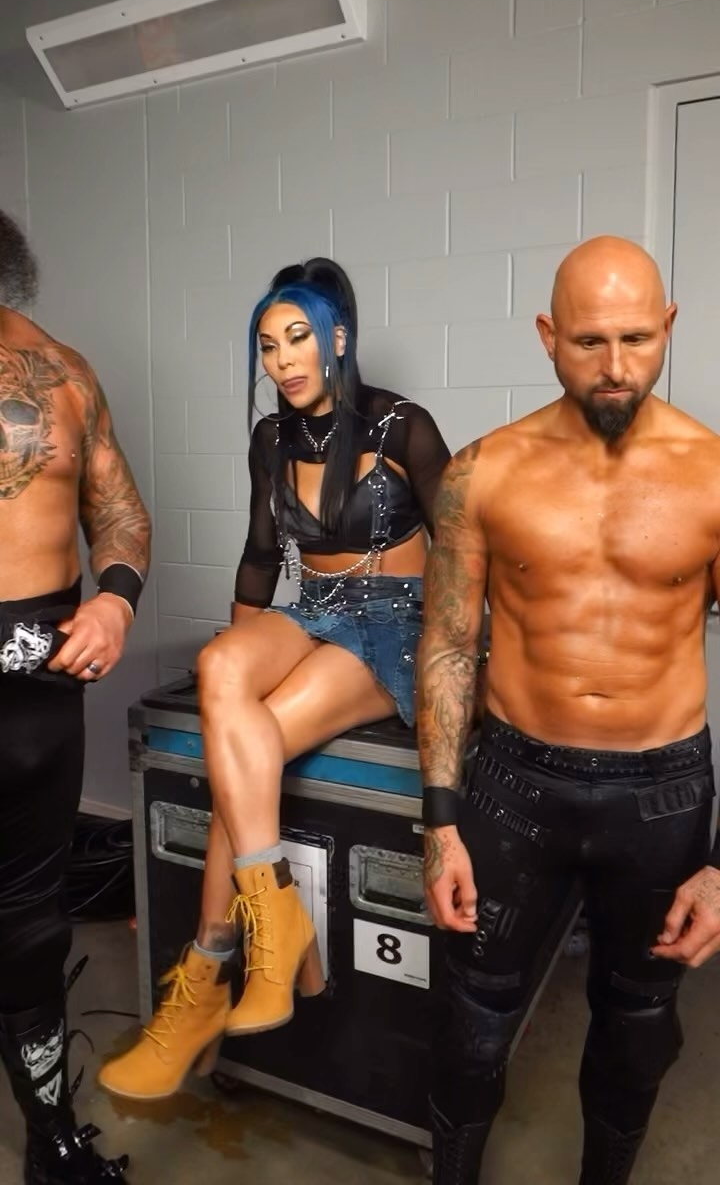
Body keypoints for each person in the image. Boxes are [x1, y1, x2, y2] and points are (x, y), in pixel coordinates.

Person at [98, 256, 451, 1100]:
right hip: (313, 608)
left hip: (396, 623)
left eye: (298, 338)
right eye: (267, 345)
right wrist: (231, 686)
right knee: (221, 668)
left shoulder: (402, 425)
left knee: (247, 755)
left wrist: (468, 667)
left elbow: (469, 551)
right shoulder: (273, 438)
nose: (283, 360)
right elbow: (262, 557)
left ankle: (206, 969)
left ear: (337, 339)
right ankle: (278, 922)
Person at [416, 235, 720, 1185]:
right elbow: (449, 643)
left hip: (662, 794)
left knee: (637, 1031)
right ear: (548, 336)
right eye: (590, 342)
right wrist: (439, 821)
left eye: (638, 338)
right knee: (470, 1026)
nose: (617, 366)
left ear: (669, 326)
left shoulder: (714, 472)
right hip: (515, 783)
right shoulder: (483, 471)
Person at [0, 209, 151, 1183]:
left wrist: (115, 600)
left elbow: (122, 513)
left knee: (30, 919)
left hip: (36, 687)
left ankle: (51, 1142)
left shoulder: (65, 374)